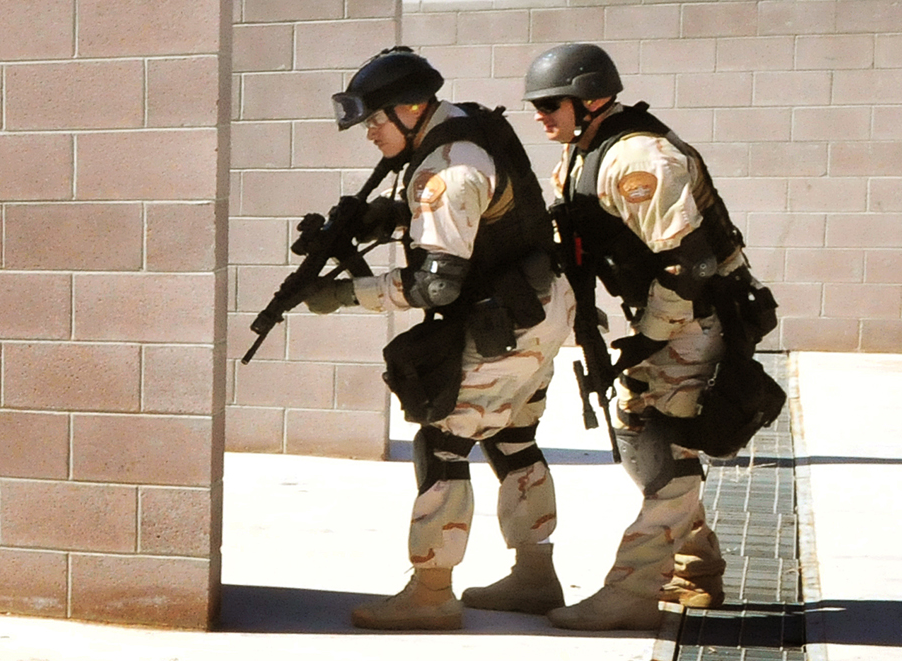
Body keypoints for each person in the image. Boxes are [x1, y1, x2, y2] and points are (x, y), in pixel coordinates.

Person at [305, 48, 574, 630]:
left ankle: (431, 592)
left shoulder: (446, 169)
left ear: (411, 107)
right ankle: (534, 574)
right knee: (512, 437)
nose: (371, 133)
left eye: (377, 120)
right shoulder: (466, 129)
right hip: (539, 308)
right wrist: (389, 218)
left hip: (509, 321)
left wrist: (349, 293)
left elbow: (436, 285)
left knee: (443, 443)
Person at [525, 41, 769, 630]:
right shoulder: (583, 153)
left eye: (551, 103)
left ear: (590, 99)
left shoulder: (637, 158)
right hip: (665, 312)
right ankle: (694, 563)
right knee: (651, 432)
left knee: (659, 439)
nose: (541, 115)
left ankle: (635, 589)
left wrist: (649, 337)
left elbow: (691, 263)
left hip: (696, 311)